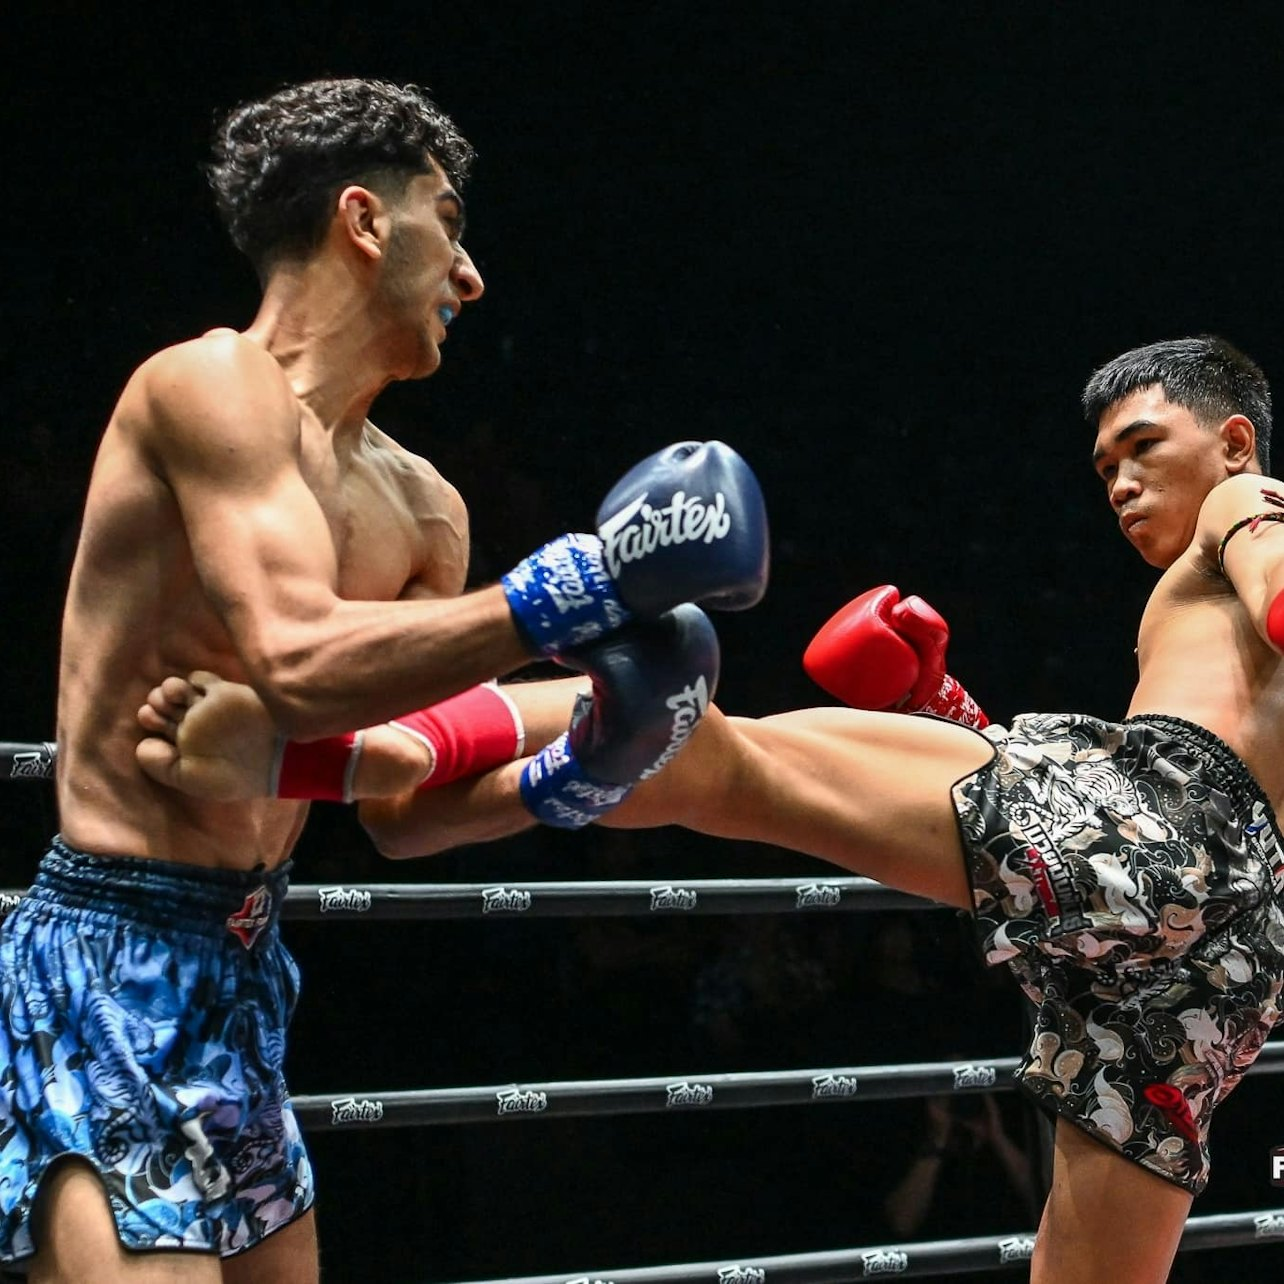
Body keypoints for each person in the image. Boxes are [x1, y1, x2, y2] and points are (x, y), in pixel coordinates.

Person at [142, 335, 1284, 1282]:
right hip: (1228, 948)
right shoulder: (1195, 619)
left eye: (1143, 449)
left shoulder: (1245, 500)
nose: (1122, 484)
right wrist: (946, 710)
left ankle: (360, 756)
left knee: (704, 736)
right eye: (1103, 470)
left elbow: (1224, 683)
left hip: (1176, 822)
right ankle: (400, 783)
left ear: (1230, 438)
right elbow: (1120, 863)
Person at [0, 76, 768, 1284]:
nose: (469, 276)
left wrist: (572, 773)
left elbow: (403, 810)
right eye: (449, 223)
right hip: (105, 953)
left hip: (248, 965)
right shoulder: (207, 385)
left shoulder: (425, 508)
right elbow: (299, 662)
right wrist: (575, 590)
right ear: (366, 221)